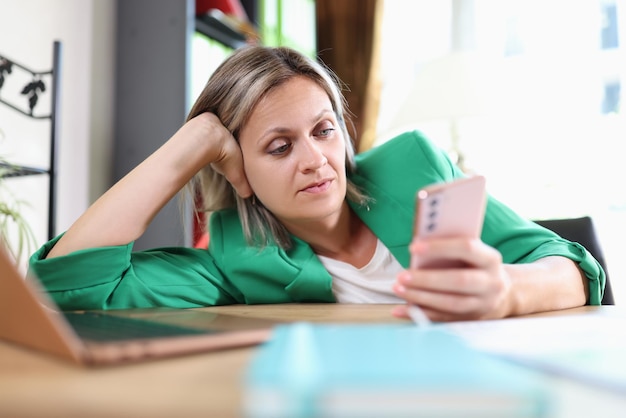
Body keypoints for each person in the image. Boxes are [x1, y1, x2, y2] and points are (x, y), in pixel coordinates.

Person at [29, 46, 605, 322]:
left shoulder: (415, 168)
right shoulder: (236, 258)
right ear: (239, 169)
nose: (315, 160)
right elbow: (67, 289)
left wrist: (508, 291)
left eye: (324, 130)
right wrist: (191, 144)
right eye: (279, 147)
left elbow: (574, 266)